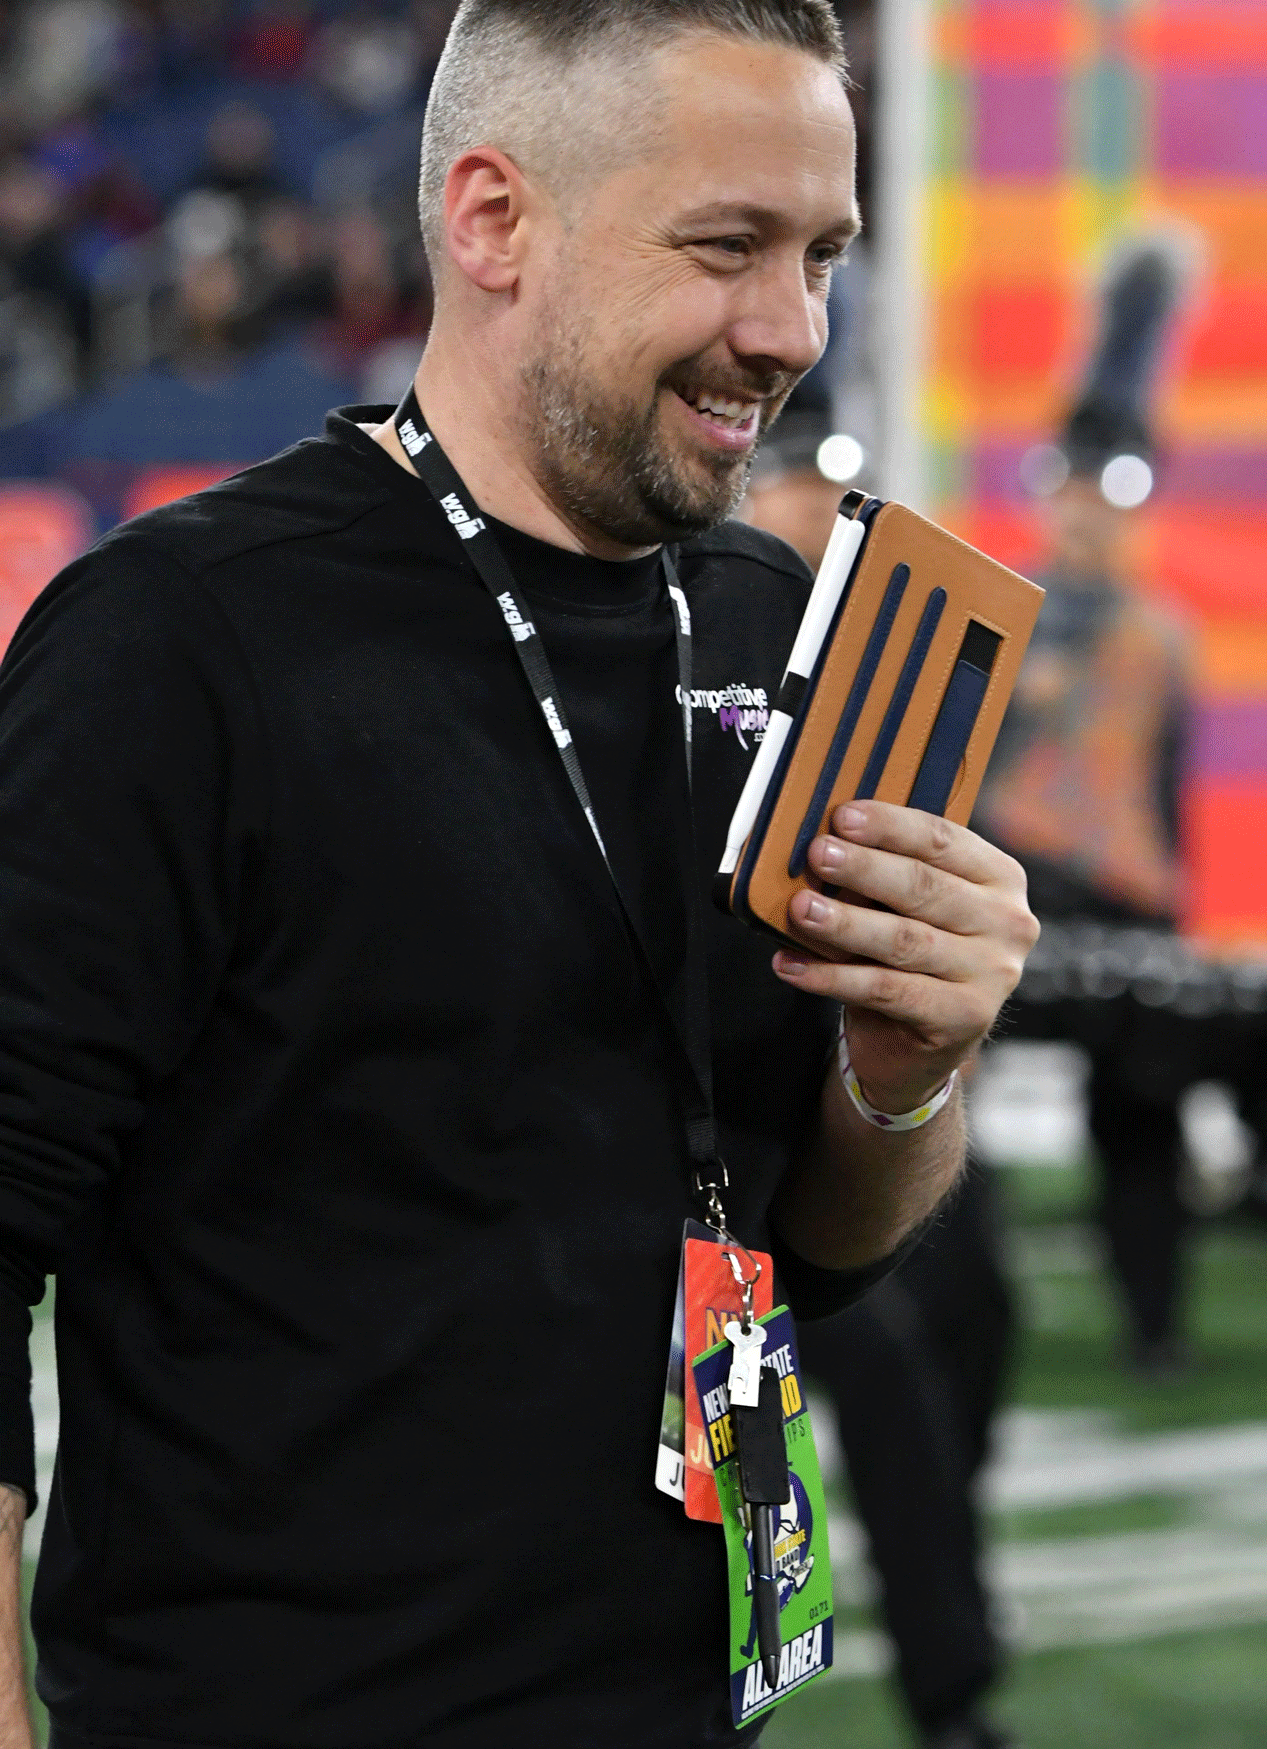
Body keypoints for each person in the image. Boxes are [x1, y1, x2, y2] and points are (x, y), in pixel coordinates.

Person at [0, 6, 1039, 1748]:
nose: (789, 331)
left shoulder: (766, 627)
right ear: (490, 220)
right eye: (726, 247)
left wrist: (908, 1071)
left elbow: (814, 1246)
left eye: (823, 256)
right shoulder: (178, 642)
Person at [747, 386, 1018, 1749]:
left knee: (969, 1319)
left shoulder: (887, 678)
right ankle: (948, 1687)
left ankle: (951, 1654)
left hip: (867, 1091)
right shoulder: (675, 645)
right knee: (861, 1394)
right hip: (722, 1151)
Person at [978, 234, 1196, 1374]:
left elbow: (1164, 799)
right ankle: (952, 1296)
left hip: (1128, 903)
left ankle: (1154, 1326)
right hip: (1022, 883)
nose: (1087, 514)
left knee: (1144, 1110)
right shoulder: (1004, 613)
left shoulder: (1163, 636)